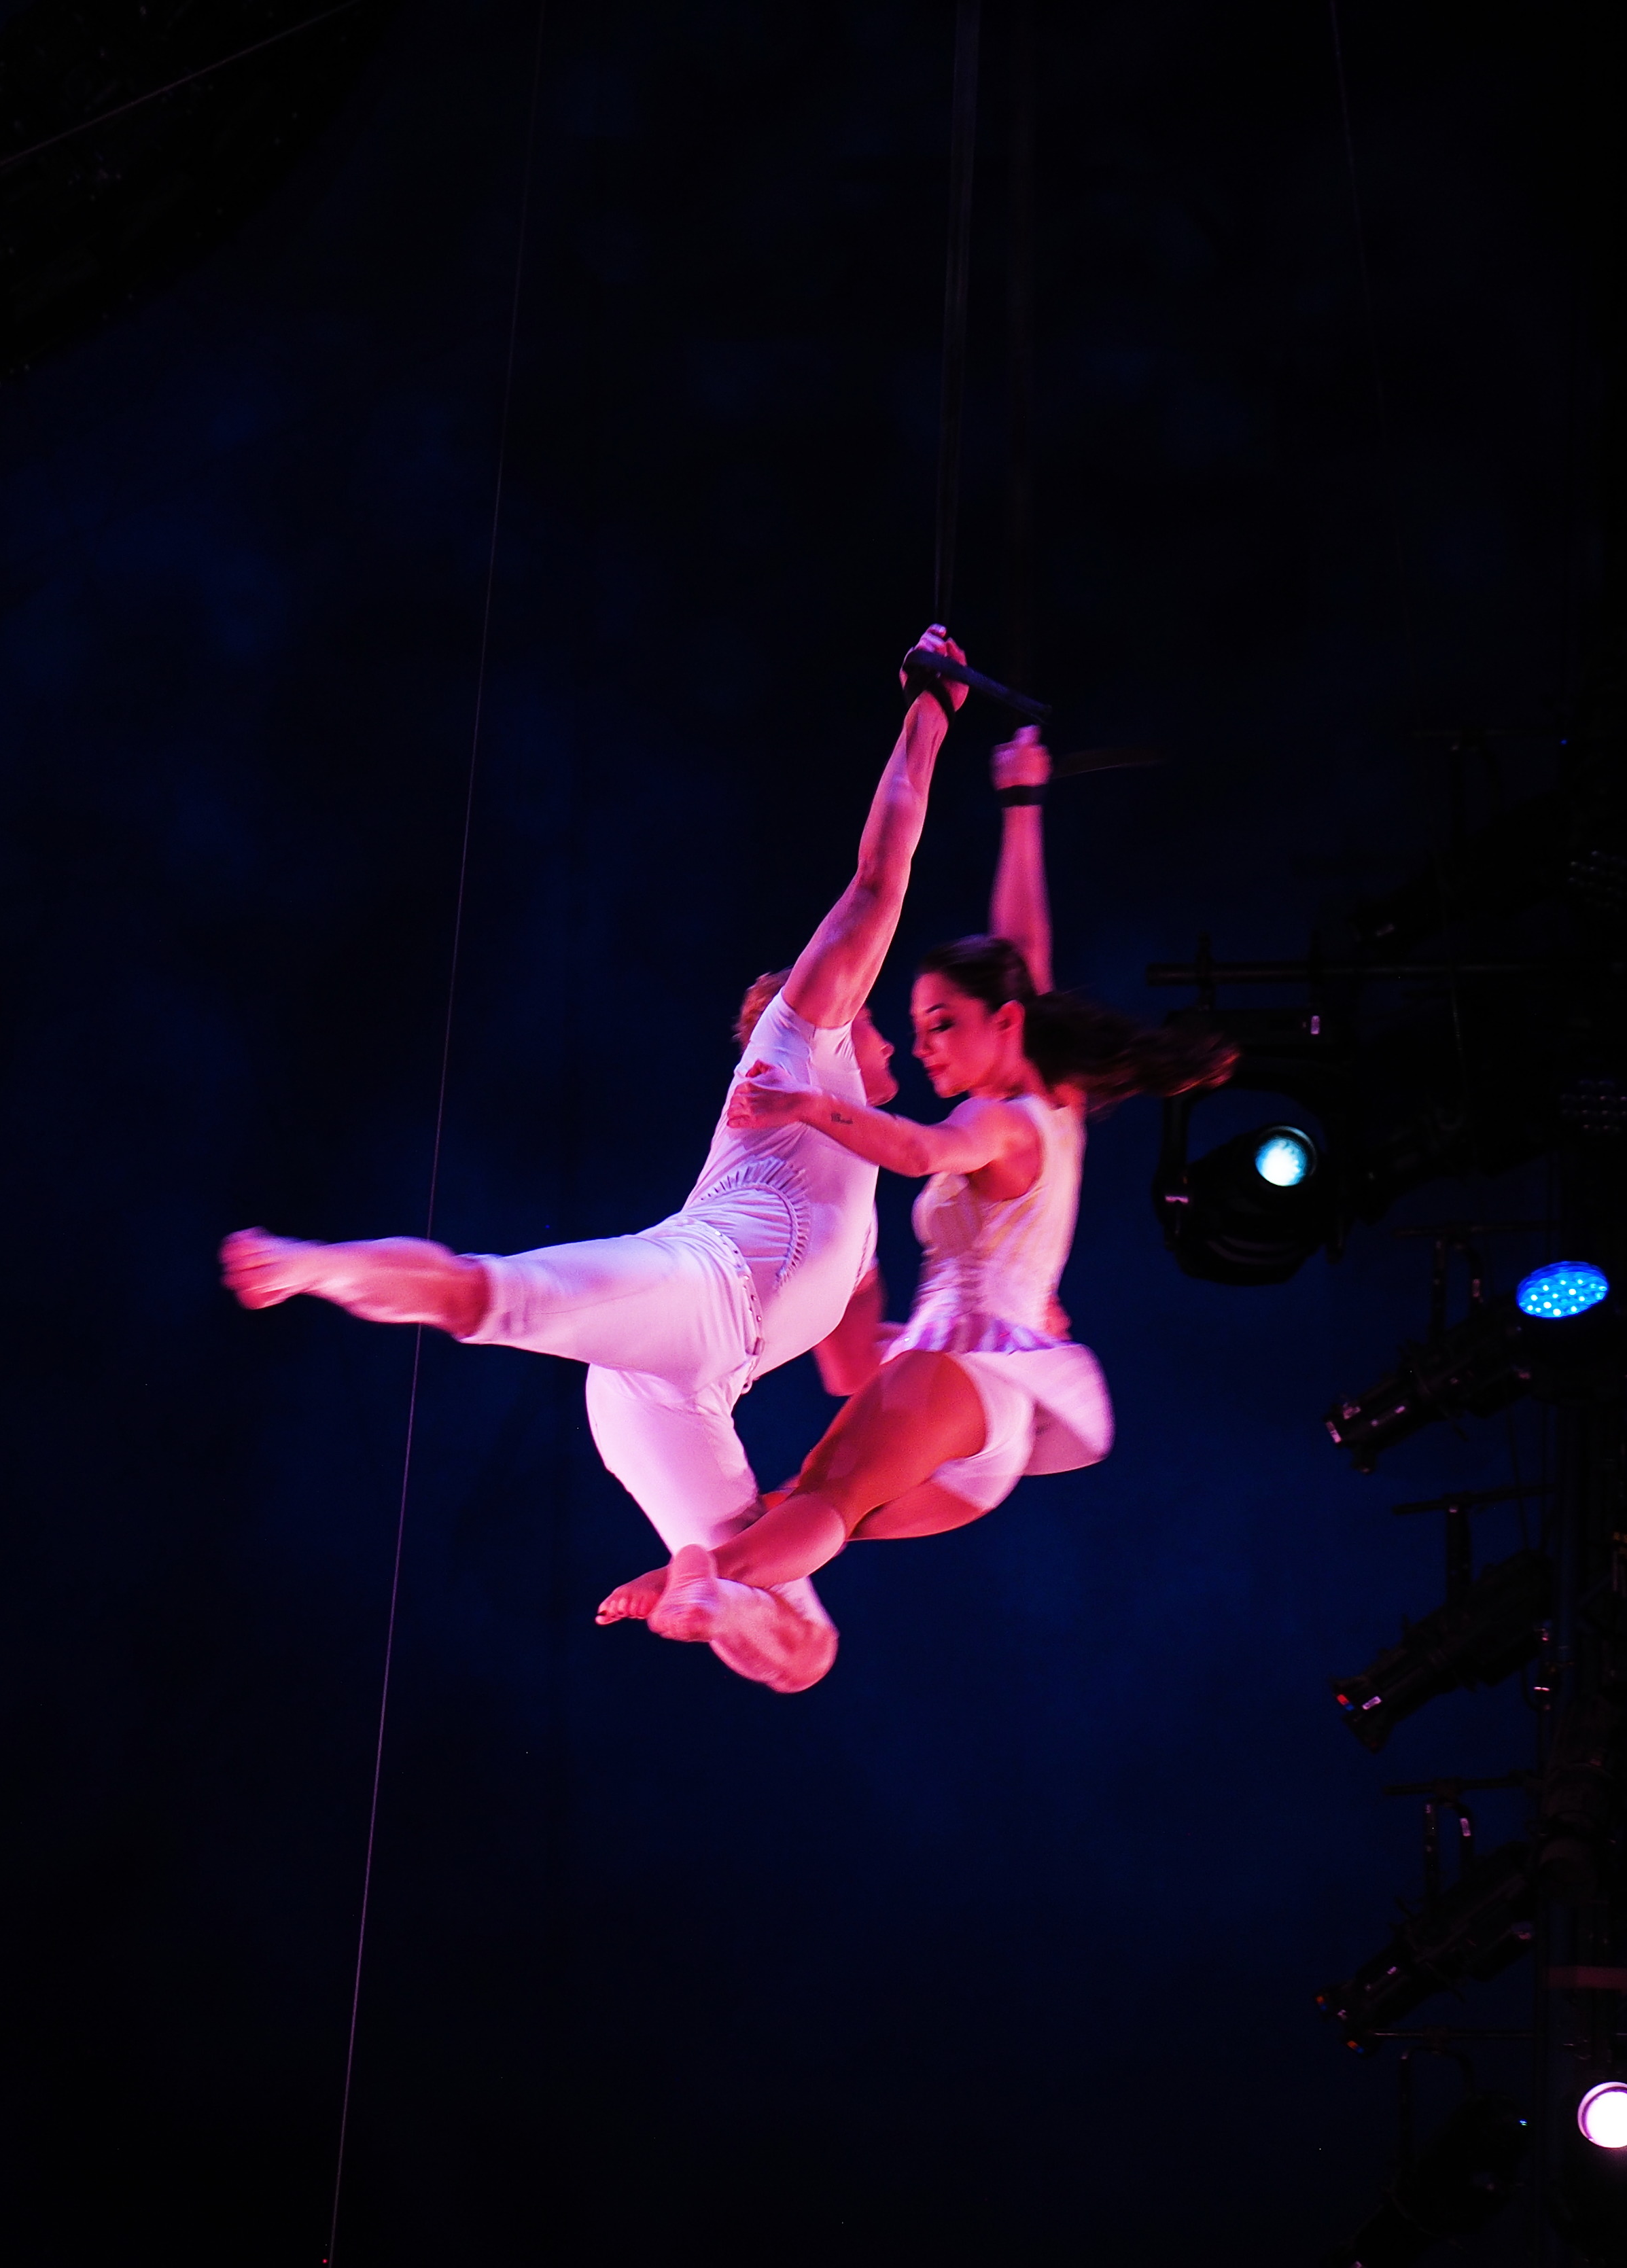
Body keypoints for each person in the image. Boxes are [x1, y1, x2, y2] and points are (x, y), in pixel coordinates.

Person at [218, 633, 974, 1690]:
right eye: (889, 1023)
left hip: (686, 1394)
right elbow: (880, 876)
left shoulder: (861, 1204)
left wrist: (970, 1353)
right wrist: (929, 711)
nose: (898, 1041)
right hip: (690, 1286)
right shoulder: (807, 1043)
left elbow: (855, 1374)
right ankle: (313, 1264)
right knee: (491, 1294)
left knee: (805, 1654)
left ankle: (708, 1593)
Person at [595, 726, 1234, 1689]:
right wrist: (1022, 806)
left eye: (940, 1025)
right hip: (985, 1428)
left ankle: (702, 1580)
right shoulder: (1051, 1099)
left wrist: (809, 1107)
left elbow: (926, 1149)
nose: (923, 1046)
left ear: (1005, 1024)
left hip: (973, 1382)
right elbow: (1023, 958)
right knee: (811, 1508)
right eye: (915, 1027)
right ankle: (718, 1587)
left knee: (823, 1499)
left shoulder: (999, 1118)